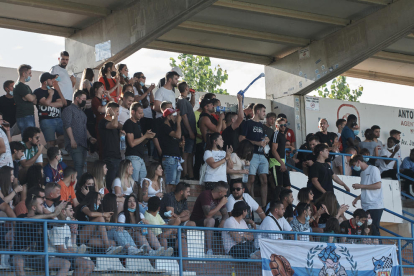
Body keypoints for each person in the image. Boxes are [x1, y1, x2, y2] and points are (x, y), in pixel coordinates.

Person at [13, 195, 69, 276]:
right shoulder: (21, 217)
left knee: (66, 264)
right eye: (41, 204)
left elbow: (61, 224)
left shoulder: (44, 218)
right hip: (21, 256)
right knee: (18, 262)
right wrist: (52, 214)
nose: (43, 207)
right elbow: (29, 220)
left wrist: (59, 212)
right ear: (34, 207)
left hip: (39, 257)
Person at [48, 202, 95, 275]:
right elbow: (61, 250)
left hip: (65, 255)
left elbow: (70, 247)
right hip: (55, 256)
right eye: (70, 210)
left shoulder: (66, 226)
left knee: (91, 265)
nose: (73, 212)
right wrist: (77, 256)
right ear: (63, 211)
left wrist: (77, 255)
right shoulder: (57, 225)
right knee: (86, 264)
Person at [62, 90, 97, 182]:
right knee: (78, 164)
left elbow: (85, 128)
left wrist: (89, 138)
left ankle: (80, 186)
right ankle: (76, 188)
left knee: (82, 166)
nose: (85, 101)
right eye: (84, 99)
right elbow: (67, 125)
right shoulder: (68, 110)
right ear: (77, 98)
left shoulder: (82, 113)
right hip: (75, 143)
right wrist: (72, 140)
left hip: (83, 144)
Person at [239, 104, 269, 206]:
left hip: (262, 155)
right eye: (263, 111)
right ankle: (249, 203)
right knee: (251, 179)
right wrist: (257, 143)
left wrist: (266, 140)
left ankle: (264, 206)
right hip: (251, 155)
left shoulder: (262, 126)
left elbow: (263, 138)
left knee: (264, 180)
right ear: (257, 111)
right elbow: (241, 138)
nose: (265, 114)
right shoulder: (247, 123)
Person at [190, 182, 229, 255]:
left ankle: (228, 250)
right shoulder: (206, 195)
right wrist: (221, 204)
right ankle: (209, 250)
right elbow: (208, 215)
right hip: (197, 221)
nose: (226, 194)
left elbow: (225, 214)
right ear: (220, 192)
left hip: (210, 222)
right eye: (225, 192)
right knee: (211, 220)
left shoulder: (220, 198)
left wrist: (222, 223)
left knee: (228, 221)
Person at [350, 154, 383, 236]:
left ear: (359, 161)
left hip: (375, 205)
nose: (354, 167)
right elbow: (367, 190)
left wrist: (360, 186)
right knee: (366, 228)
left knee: (374, 229)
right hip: (365, 205)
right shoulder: (362, 173)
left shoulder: (373, 169)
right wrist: (357, 198)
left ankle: (379, 246)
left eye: (354, 165)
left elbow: (378, 185)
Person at [124, 102, 155, 184]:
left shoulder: (138, 124)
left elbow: (142, 140)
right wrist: (145, 136)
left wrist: (148, 137)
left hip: (140, 157)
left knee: (143, 183)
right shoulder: (128, 123)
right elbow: (132, 143)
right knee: (134, 182)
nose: (142, 115)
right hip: (133, 156)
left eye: (142, 113)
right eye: (140, 113)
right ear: (132, 112)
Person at [34, 72, 67, 150]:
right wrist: (50, 95)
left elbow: (61, 103)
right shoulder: (38, 91)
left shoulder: (54, 91)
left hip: (58, 119)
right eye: (51, 79)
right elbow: (46, 102)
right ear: (45, 82)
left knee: (67, 136)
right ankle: (51, 159)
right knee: (50, 144)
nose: (53, 80)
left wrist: (49, 103)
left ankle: (60, 152)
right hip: (46, 120)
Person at [159, 108, 184, 192]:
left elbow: (176, 139)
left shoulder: (171, 127)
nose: (175, 117)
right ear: (168, 117)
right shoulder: (164, 126)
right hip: (169, 158)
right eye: (173, 115)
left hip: (175, 159)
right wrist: (178, 123)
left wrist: (180, 144)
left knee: (175, 186)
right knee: (170, 184)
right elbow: (178, 135)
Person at [99, 101, 122, 192]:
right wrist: (113, 115)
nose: (118, 114)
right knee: (110, 184)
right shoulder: (103, 122)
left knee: (117, 184)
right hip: (109, 157)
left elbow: (121, 126)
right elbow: (114, 125)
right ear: (110, 111)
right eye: (116, 111)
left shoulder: (115, 122)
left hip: (117, 156)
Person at [177, 82, 196, 180]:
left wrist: (193, 96)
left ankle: (190, 174)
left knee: (190, 154)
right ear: (186, 89)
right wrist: (190, 132)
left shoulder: (185, 100)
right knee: (186, 153)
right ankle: (184, 174)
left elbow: (192, 106)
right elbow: (184, 116)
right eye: (188, 87)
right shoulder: (181, 100)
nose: (189, 88)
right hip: (187, 132)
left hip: (190, 132)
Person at [194, 93, 216, 179]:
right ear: (206, 107)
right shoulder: (204, 117)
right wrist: (221, 119)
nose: (213, 106)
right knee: (202, 165)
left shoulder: (210, 117)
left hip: (210, 144)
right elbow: (217, 130)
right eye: (211, 105)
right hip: (205, 144)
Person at [91, 81, 113, 158]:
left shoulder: (104, 99)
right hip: (100, 124)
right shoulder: (94, 99)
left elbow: (113, 105)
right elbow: (100, 109)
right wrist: (108, 105)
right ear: (96, 89)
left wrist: (109, 96)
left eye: (103, 87)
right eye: (101, 87)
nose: (103, 89)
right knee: (101, 144)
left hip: (107, 123)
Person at [13, 64, 37, 134]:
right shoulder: (19, 85)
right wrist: (31, 97)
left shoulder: (26, 87)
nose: (31, 75)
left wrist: (32, 96)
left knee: (33, 136)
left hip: (30, 115)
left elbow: (34, 101)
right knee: (29, 138)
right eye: (29, 73)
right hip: (24, 116)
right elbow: (30, 99)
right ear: (23, 74)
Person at [269, 117, 291, 189]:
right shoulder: (276, 133)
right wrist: (281, 163)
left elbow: (280, 147)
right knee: (279, 187)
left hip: (282, 162)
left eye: (285, 125)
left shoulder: (282, 135)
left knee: (287, 186)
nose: (283, 127)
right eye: (281, 125)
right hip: (276, 163)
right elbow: (273, 150)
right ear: (276, 126)